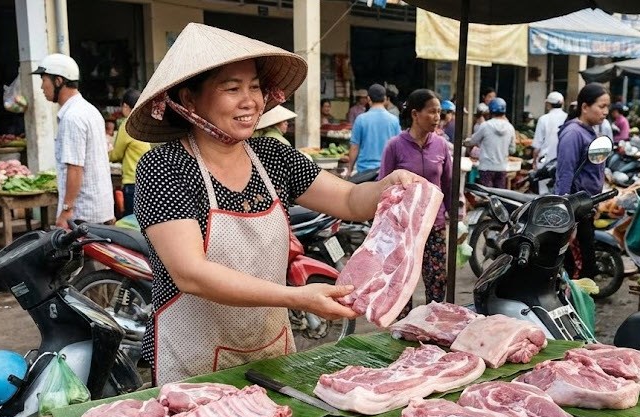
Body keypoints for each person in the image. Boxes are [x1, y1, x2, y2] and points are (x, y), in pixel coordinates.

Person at [124, 23, 424, 385]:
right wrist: (297, 298)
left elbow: (347, 198)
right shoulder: (164, 166)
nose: (249, 100)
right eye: (231, 88)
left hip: (271, 353)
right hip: (193, 365)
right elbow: (190, 272)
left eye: (254, 87)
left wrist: (387, 186)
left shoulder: (272, 155)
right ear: (189, 99)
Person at [378, 89, 453, 310]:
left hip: (435, 225)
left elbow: (448, 183)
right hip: (403, 228)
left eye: (439, 112)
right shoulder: (394, 146)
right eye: (431, 112)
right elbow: (383, 186)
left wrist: (457, 217)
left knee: (437, 282)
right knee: (402, 284)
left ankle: (433, 327)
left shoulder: (441, 145)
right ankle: (403, 331)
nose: (437, 117)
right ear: (415, 114)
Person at [32, 53, 114, 227]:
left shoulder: (72, 118)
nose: (41, 87)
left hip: (83, 215)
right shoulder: (89, 110)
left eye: (43, 79)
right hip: (100, 209)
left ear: (58, 81)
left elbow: (75, 168)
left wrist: (66, 210)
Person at [555, 83, 610, 279]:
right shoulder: (573, 134)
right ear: (585, 107)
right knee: (578, 269)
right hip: (575, 210)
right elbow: (565, 174)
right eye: (601, 106)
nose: (605, 112)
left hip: (587, 207)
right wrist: (565, 216)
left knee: (586, 263)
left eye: (607, 107)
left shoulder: (589, 130)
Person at [109, 88, 152, 217]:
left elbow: (116, 155)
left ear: (126, 106)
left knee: (131, 222)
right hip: (146, 180)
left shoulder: (128, 124)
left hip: (132, 182)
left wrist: (105, 155)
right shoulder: (144, 121)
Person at [345, 83, 400, 176]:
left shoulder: (361, 119)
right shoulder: (393, 120)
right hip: (387, 171)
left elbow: (354, 147)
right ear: (385, 99)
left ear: (368, 99)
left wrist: (349, 170)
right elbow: (399, 147)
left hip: (364, 172)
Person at [470, 97, 515, 189]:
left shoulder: (485, 126)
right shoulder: (510, 127)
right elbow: (512, 150)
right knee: (499, 197)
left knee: (486, 196)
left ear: (490, 110)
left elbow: (472, 141)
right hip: (501, 167)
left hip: (486, 167)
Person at [532, 91, 567, 170]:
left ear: (548, 104)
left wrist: (534, 162)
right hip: (563, 161)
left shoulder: (543, 119)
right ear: (562, 103)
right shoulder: (568, 118)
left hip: (545, 160)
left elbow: (537, 144)